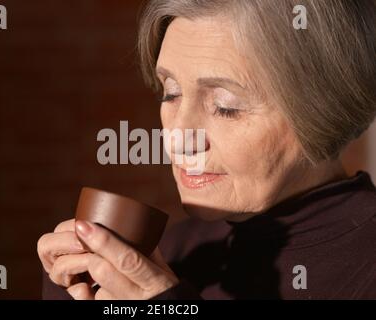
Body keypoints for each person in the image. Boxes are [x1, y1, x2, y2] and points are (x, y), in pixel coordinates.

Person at [37, 0, 376, 299]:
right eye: (170, 93)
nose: (178, 138)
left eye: (225, 105)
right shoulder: (175, 251)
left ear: (326, 107)